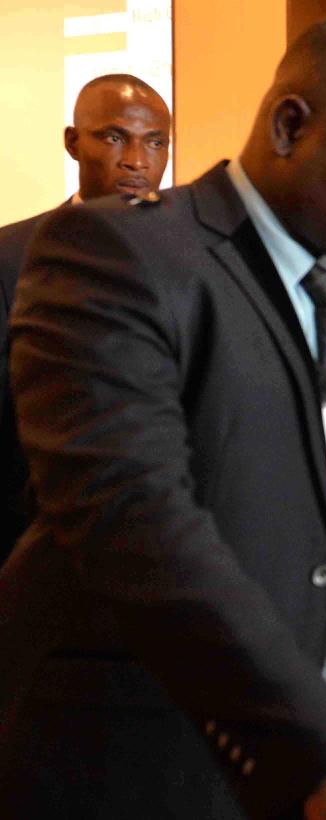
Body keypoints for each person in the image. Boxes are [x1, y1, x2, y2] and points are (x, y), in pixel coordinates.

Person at [0, 15, 326, 819]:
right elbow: (132, 516)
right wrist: (324, 744)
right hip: (159, 753)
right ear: (289, 127)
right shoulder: (118, 252)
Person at [0, 72, 171, 560]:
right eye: (114, 137)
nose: (137, 160)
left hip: (165, 547)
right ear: (73, 143)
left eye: (155, 142)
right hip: (35, 543)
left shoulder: (201, 262)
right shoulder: (9, 257)